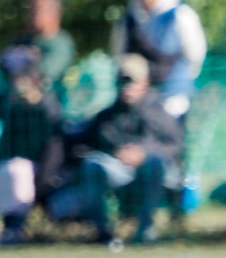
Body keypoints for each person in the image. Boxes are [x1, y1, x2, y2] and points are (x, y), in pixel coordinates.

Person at [49, 54, 183, 246]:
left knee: (153, 163)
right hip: (119, 171)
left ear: (145, 81)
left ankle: (145, 228)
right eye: (121, 80)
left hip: (156, 173)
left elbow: (176, 145)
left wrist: (143, 153)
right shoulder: (107, 116)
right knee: (92, 165)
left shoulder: (160, 112)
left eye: (131, 81)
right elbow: (85, 143)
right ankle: (102, 230)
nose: (126, 86)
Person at [0, 45, 64, 245]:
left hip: (48, 175)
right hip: (19, 169)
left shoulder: (48, 104)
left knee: (17, 170)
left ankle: (16, 227)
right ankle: (11, 227)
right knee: (9, 169)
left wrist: (35, 102)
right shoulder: (8, 104)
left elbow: (54, 143)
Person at [111, 0, 206, 119]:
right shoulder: (129, 18)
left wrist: (178, 80)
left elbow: (195, 55)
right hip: (136, 98)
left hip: (171, 95)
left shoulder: (181, 15)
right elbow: (118, 53)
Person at [14, 0, 75, 96]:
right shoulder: (24, 40)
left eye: (39, 10)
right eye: (32, 10)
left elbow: (44, 72)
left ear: (55, 13)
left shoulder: (60, 44)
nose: (33, 15)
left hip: (50, 106)